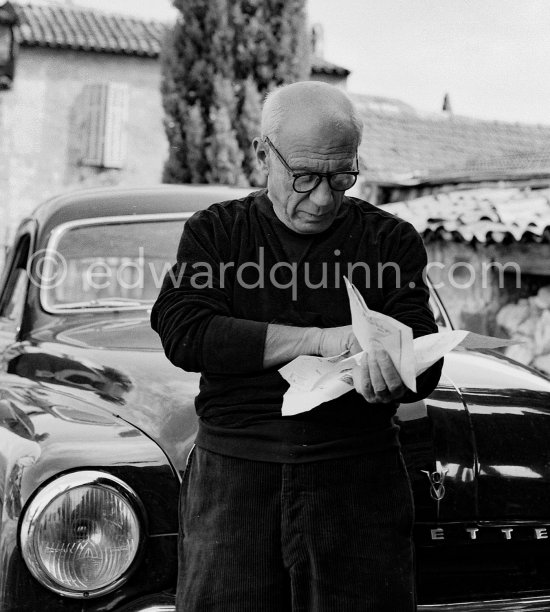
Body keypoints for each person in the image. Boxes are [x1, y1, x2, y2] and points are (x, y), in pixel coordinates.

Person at [151, 81, 443, 612]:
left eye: (342, 177)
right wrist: (320, 340)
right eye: (305, 177)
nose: (324, 198)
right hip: (235, 484)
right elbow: (184, 328)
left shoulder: (390, 241)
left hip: (357, 486)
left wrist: (399, 372)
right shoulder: (217, 233)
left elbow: (425, 352)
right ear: (263, 154)